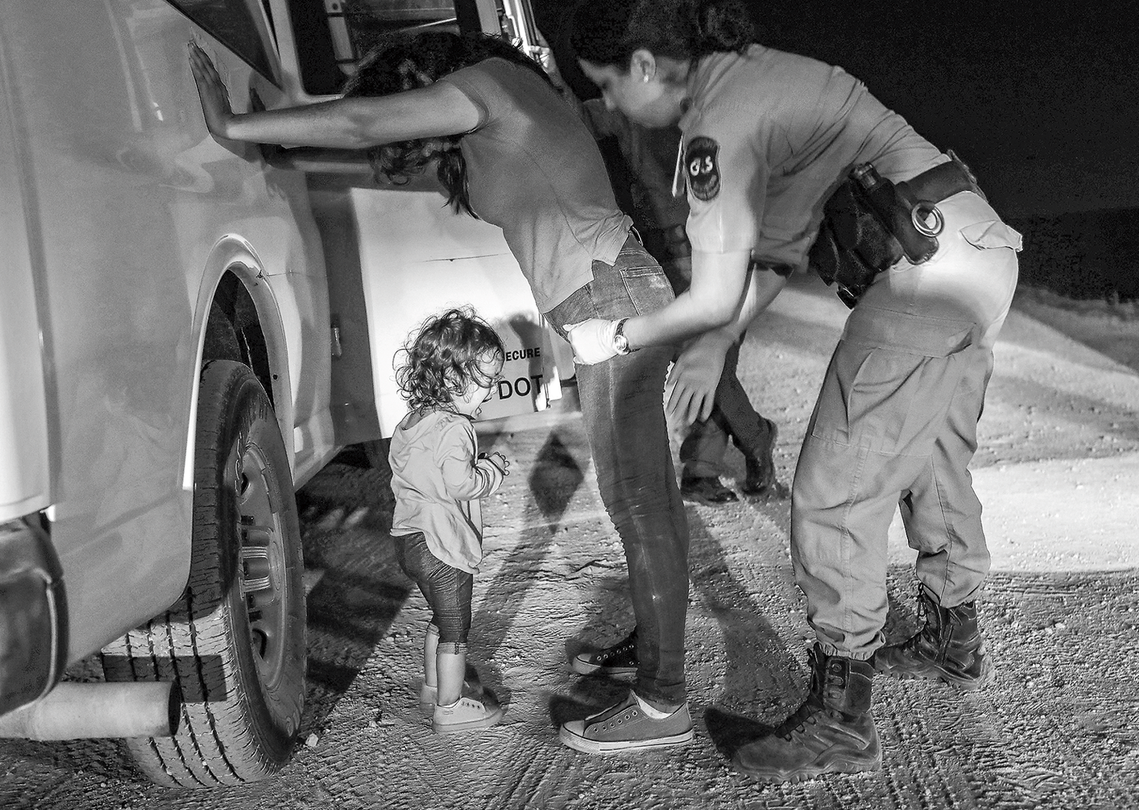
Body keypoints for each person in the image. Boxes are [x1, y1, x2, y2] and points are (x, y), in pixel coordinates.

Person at [189, 30, 695, 753]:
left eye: (411, 109)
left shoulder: (491, 85)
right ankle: (657, 652)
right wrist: (273, 150)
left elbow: (364, 122)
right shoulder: (496, 123)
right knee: (644, 500)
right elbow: (363, 147)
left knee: (640, 502)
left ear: (419, 82)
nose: (418, 137)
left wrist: (233, 125)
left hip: (611, 299)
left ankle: (663, 698)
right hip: (602, 299)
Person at [565, 0, 1023, 781]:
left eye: (606, 86)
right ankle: (954, 639)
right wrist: (714, 346)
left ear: (644, 65)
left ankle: (841, 722)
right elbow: (774, 255)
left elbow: (716, 292)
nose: (610, 107)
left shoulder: (719, 123)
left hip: (924, 279)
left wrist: (620, 336)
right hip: (975, 257)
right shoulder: (761, 77)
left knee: (833, 490)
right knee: (930, 456)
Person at [578, 101, 779, 505]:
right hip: (663, 248)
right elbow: (576, 114)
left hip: (724, 244)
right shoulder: (628, 102)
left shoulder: (716, 100)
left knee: (714, 364)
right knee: (701, 362)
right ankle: (737, 446)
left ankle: (726, 453)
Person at [387, 308, 509, 732]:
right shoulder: (455, 428)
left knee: (439, 619)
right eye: (486, 381)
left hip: (409, 538)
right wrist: (491, 471)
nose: (490, 391)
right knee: (456, 629)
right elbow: (461, 484)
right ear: (455, 380)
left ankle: (433, 687)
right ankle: (451, 707)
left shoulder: (411, 422)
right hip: (442, 544)